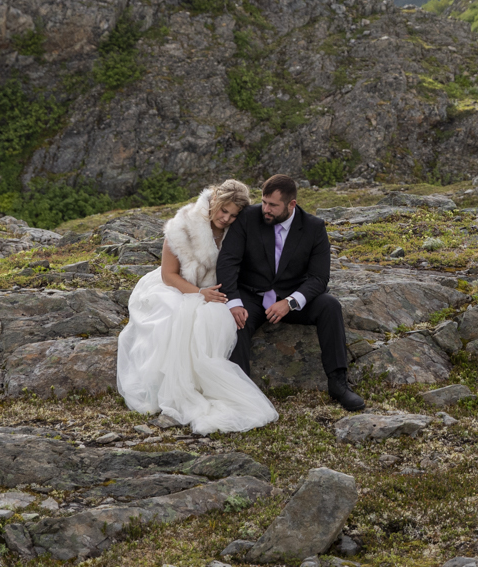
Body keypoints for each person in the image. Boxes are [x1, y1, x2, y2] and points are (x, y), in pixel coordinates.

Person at [115, 179, 279, 434]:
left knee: (215, 319)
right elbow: (169, 275)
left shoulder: (238, 230)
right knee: (180, 318)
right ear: (214, 201)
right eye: (223, 210)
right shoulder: (183, 226)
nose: (226, 218)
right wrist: (200, 293)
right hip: (177, 287)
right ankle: (179, 387)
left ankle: (211, 385)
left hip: (214, 290)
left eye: (233, 215)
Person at [216, 173, 367, 412]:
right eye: (264, 202)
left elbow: (319, 277)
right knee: (236, 322)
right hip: (251, 295)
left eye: (273, 205)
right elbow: (227, 262)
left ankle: (338, 384)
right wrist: (233, 302)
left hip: (290, 297)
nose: (266, 209)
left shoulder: (314, 227)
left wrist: (290, 302)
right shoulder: (247, 218)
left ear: (291, 204)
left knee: (330, 306)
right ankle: (240, 390)